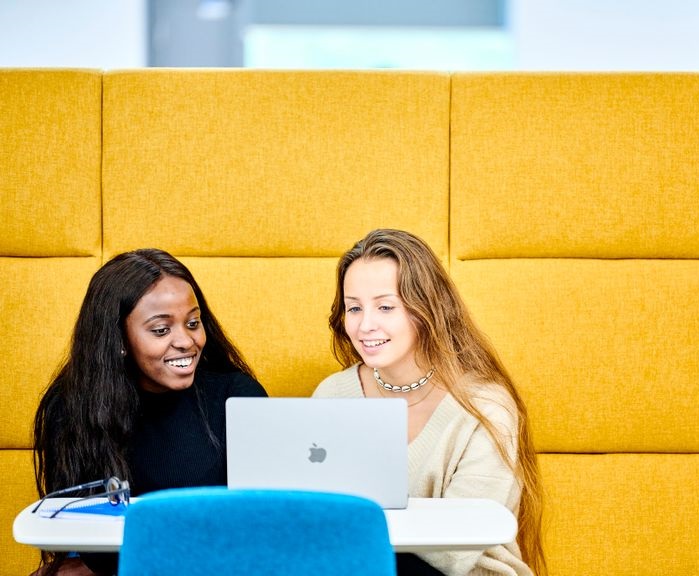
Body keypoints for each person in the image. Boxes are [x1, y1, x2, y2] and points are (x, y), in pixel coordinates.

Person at [313, 229, 546, 576]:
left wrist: (349, 533)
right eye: (354, 308)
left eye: (385, 307)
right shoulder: (332, 396)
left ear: (426, 310)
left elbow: (456, 550)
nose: (365, 325)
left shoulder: (485, 407)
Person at [32, 249, 267, 576]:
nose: (186, 341)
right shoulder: (72, 405)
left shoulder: (236, 396)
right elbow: (84, 544)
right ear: (119, 340)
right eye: (161, 330)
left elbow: (264, 524)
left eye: (193, 323)